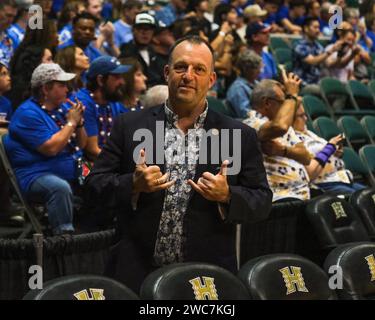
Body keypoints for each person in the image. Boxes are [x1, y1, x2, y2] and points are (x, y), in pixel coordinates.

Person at [84, 35, 272, 293]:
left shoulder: (237, 135)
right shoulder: (130, 126)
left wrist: (228, 196)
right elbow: (93, 186)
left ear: (212, 79)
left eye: (199, 69)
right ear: (166, 72)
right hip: (136, 271)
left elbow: (261, 200)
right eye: (181, 67)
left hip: (206, 277)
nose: (188, 75)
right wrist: (132, 184)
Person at [4, 63, 87, 235]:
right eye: (62, 85)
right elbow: (51, 149)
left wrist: (79, 124)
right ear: (45, 89)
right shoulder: (27, 114)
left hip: (73, 167)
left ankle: (97, 231)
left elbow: (82, 144)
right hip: (36, 174)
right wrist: (71, 122)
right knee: (59, 188)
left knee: (102, 178)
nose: (67, 89)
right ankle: (63, 240)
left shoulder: (62, 108)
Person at [243, 73, 312, 203]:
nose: (287, 107)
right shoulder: (251, 124)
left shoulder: (285, 125)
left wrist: (284, 150)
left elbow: (306, 157)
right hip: (279, 199)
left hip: (301, 195)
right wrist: (292, 96)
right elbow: (280, 127)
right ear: (267, 103)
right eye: (283, 102)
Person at [293, 104, 366, 194]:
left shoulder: (309, 133)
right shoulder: (292, 139)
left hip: (342, 179)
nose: (306, 119)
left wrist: (335, 153)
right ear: (290, 119)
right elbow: (309, 170)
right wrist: (330, 146)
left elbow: (322, 153)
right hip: (324, 183)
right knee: (360, 199)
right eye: (301, 116)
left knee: (370, 195)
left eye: (305, 115)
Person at [76, 56, 130, 160]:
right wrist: (123, 162)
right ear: (100, 80)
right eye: (116, 77)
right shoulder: (84, 102)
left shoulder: (112, 100)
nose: (122, 82)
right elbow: (92, 150)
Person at [226, 49, 262, 118]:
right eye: (256, 68)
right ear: (247, 69)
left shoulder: (257, 83)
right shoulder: (238, 88)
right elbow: (246, 115)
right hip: (244, 125)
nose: (259, 71)